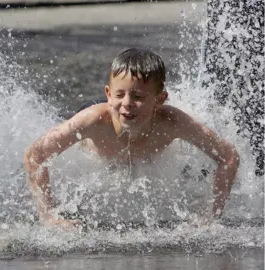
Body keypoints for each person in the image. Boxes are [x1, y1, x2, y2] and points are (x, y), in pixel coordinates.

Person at [23, 48, 240, 230]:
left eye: (138, 97)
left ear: (160, 99)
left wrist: (212, 213)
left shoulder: (172, 123)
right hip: (98, 133)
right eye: (119, 95)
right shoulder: (92, 122)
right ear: (108, 94)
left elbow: (229, 157)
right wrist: (49, 216)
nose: (127, 103)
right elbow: (36, 155)